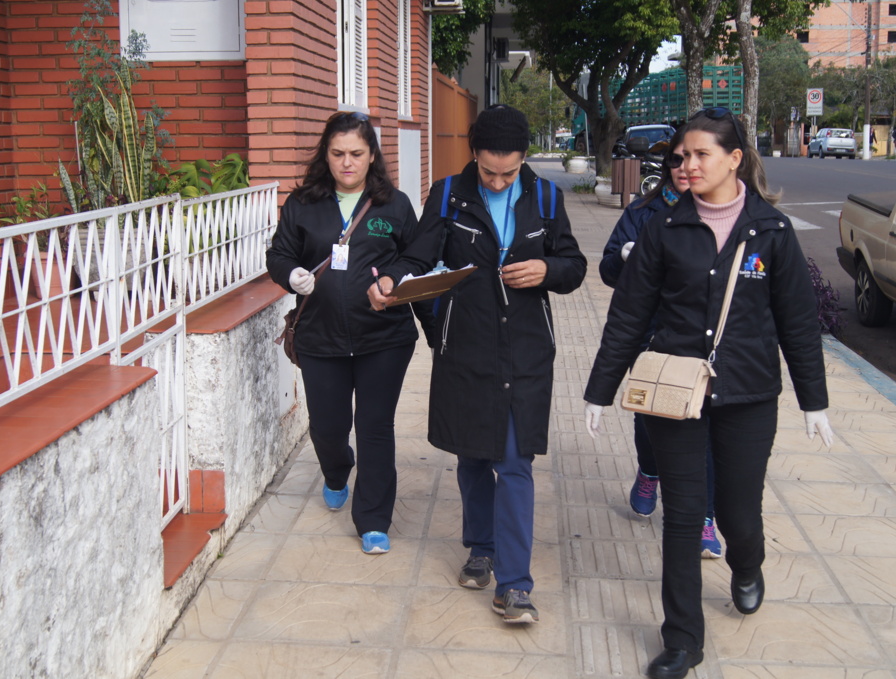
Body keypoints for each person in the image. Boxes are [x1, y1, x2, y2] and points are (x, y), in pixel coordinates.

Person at [584, 107, 834, 679]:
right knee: (683, 515)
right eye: (683, 155)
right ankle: (682, 640)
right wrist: (600, 390)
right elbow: (629, 316)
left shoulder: (771, 231)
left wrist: (813, 400)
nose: (688, 165)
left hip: (748, 397)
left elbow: (798, 322)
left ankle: (747, 565)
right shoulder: (663, 229)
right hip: (677, 393)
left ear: (734, 159)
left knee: (737, 513)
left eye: (701, 154)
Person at [415, 105, 587, 624]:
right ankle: (481, 548)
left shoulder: (546, 197)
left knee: (513, 462)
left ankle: (514, 585)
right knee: (472, 455)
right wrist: (392, 283)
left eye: (507, 173)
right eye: (488, 171)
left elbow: (575, 266)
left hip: (525, 349)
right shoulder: (448, 195)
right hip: (467, 347)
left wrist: (546, 269)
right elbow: (416, 260)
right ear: (473, 155)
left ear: (524, 159)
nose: (496, 182)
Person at [266, 111, 440, 555]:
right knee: (328, 427)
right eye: (338, 153)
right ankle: (336, 470)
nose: (347, 163)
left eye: (357, 154)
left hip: (384, 336)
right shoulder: (302, 203)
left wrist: (395, 278)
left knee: (374, 426)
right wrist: (292, 275)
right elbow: (279, 254)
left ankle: (374, 520)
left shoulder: (393, 204)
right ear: (325, 155)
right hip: (320, 336)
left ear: (372, 156)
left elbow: (417, 256)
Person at [599, 134, 723, 559]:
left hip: (702, 339)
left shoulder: (725, 215)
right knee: (651, 413)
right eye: (675, 160)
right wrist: (627, 257)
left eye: (694, 158)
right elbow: (608, 268)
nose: (684, 168)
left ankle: (704, 517)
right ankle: (649, 470)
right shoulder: (643, 212)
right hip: (650, 335)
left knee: (702, 425)